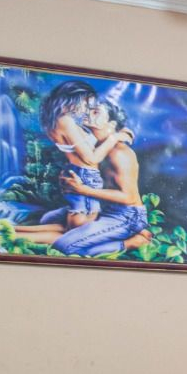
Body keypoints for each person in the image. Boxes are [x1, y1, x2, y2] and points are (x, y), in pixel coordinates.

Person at [52, 100, 147, 257]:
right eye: (89, 110)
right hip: (103, 208)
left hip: (127, 215)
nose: (87, 113)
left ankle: (132, 242)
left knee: (66, 247)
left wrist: (83, 190)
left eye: (96, 112)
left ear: (111, 124)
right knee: (47, 219)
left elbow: (128, 197)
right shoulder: (96, 148)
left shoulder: (119, 153)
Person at [38, 81, 131, 231]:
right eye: (86, 105)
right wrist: (114, 138)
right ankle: (13, 234)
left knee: (70, 229)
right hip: (85, 177)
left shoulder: (57, 121)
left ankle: (14, 231)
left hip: (80, 173)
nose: (87, 110)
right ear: (73, 99)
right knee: (77, 230)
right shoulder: (66, 121)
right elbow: (92, 158)